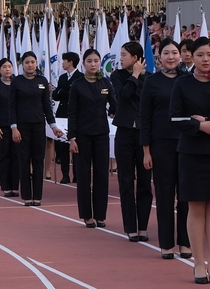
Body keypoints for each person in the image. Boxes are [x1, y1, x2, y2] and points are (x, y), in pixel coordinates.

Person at [169, 37, 210, 284]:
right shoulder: (182, 84)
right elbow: (174, 119)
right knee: (196, 209)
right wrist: (198, 126)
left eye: (209, 54)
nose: (205, 59)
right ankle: (198, 264)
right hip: (191, 152)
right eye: (200, 55)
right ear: (191, 57)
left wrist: (208, 122)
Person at [140, 38, 192, 259]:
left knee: (186, 195)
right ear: (159, 57)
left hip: (188, 144)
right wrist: (146, 151)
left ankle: (185, 242)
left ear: (181, 56)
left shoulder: (189, 80)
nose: (171, 57)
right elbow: (145, 118)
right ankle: (166, 243)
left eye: (175, 53)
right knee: (164, 194)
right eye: (166, 53)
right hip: (161, 145)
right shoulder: (151, 82)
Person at [68, 48, 117, 229]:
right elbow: (72, 113)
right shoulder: (77, 85)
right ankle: (87, 215)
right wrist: (72, 137)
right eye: (89, 61)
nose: (93, 64)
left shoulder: (106, 83)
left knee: (101, 174)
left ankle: (100, 215)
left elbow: (115, 106)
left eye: (96, 61)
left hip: (101, 134)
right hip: (82, 135)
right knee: (83, 174)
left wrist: (115, 112)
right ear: (83, 63)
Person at [10, 51, 64, 206]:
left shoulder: (42, 81)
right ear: (22, 64)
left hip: (39, 126)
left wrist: (53, 126)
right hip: (22, 127)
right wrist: (14, 127)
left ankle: (37, 196)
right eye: (27, 62)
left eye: (32, 62)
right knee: (24, 160)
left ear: (36, 64)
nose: (30, 65)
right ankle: (27, 196)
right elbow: (11, 106)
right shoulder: (17, 82)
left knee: (38, 160)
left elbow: (47, 106)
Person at [112, 40, 153, 242]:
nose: (121, 59)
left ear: (136, 58)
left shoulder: (151, 79)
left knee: (145, 182)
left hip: (144, 135)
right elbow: (123, 96)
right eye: (120, 55)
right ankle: (131, 227)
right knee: (126, 181)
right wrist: (135, 75)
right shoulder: (117, 76)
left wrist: (139, 77)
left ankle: (143, 225)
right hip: (125, 133)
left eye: (124, 55)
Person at [0, 58, 19, 197]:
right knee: (4, 155)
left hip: (17, 127)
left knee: (16, 156)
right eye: (4, 67)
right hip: (1, 126)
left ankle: (15, 185)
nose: (7, 69)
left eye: (9, 66)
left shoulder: (18, 84)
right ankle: (6, 186)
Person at [52, 52, 81, 184]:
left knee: (76, 146)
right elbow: (55, 95)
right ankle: (65, 174)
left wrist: (62, 92)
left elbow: (73, 95)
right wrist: (61, 92)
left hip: (76, 114)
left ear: (70, 62)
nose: (62, 63)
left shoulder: (80, 77)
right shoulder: (63, 77)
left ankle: (77, 174)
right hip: (62, 113)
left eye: (64, 61)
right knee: (63, 146)